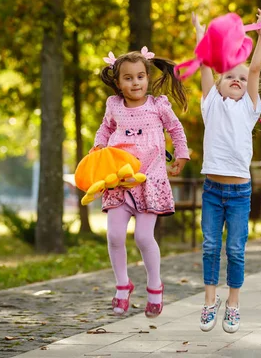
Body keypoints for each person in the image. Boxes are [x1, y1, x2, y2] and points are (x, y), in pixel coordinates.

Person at [192, 10, 261, 333]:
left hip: (239, 193)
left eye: (242, 78)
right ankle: (209, 300)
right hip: (213, 190)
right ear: (219, 81)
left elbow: (256, 67)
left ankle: (233, 302)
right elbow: (205, 64)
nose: (237, 79)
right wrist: (202, 36)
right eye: (230, 75)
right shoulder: (210, 104)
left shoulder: (249, 107)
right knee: (209, 245)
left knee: (234, 248)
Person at [92, 47, 190, 318]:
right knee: (113, 236)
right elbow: (105, 128)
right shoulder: (114, 105)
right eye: (127, 78)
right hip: (119, 181)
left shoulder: (158, 105)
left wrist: (181, 154)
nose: (134, 83)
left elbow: (176, 129)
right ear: (118, 82)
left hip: (150, 180)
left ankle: (155, 286)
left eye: (139, 77)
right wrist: (98, 145)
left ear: (147, 77)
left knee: (144, 237)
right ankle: (122, 287)